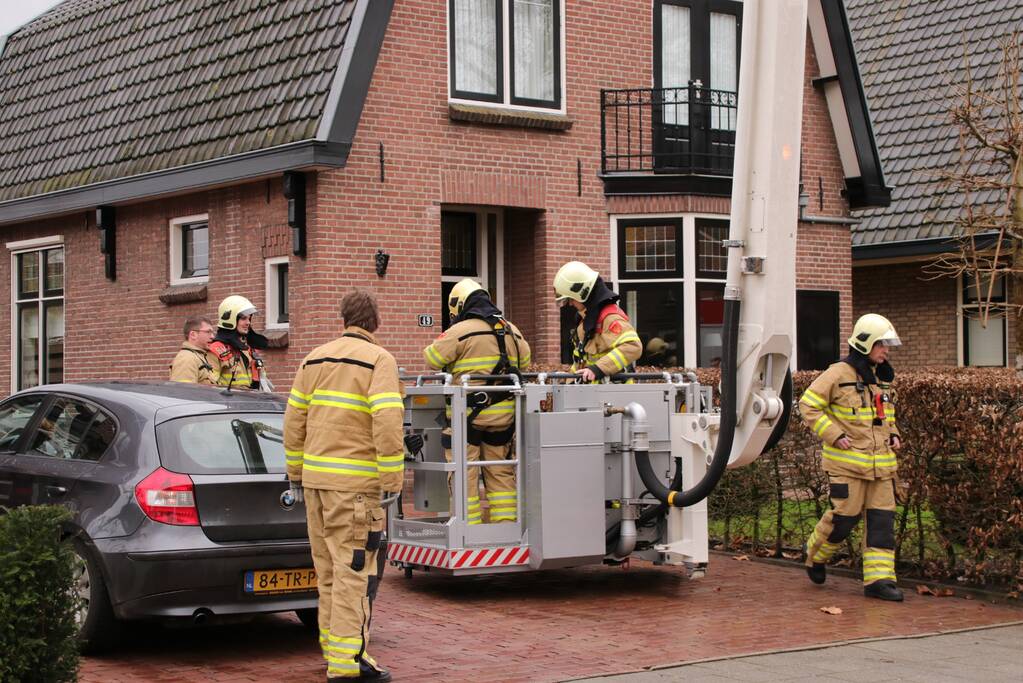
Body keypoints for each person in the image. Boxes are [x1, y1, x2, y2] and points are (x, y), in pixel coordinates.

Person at [284, 289, 404, 682]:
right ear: (375, 322)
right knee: (355, 573)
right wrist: (392, 479)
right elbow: (387, 424)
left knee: (329, 574)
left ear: (344, 319)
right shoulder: (379, 361)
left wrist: (296, 475)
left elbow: (294, 421)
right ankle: (348, 664)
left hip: (316, 486)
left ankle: (335, 652)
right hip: (355, 489)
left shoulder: (312, 358)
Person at [799, 313, 905, 602]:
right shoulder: (838, 374)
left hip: (882, 468)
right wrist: (833, 434)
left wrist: (893, 433)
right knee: (843, 519)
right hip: (847, 465)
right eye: (881, 344)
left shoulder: (881, 378)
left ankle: (879, 581)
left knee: (882, 525)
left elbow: (884, 415)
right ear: (866, 342)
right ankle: (815, 555)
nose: (886, 350)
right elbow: (808, 405)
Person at [423, 279, 530, 525]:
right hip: (504, 418)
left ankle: (468, 527)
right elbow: (525, 361)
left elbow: (431, 358)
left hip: (467, 417)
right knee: (500, 471)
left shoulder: (460, 331)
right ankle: (505, 527)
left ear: (459, 305)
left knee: (464, 472)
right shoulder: (511, 329)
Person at [553, 261, 642, 382]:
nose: (570, 303)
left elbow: (633, 346)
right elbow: (583, 361)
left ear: (582, 292)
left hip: (616, 395)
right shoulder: (586, 321)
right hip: (597, 395)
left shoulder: (610, 318)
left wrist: (599, 369)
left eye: (570, 298)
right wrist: (567, 380)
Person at [209, 295, 270, 390]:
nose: (248, 322)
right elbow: (210, 388)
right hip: (228, 404)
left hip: (249, 402)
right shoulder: (216, 350)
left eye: (249, 318)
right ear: (229, 319)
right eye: (243, 318)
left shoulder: (249, 349)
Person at [168, 316, 217, 384]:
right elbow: (184, 391)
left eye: (212, 333)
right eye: (208, 332)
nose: (212, 336)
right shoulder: (187, 359)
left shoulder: (197, 356)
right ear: (193, 335)